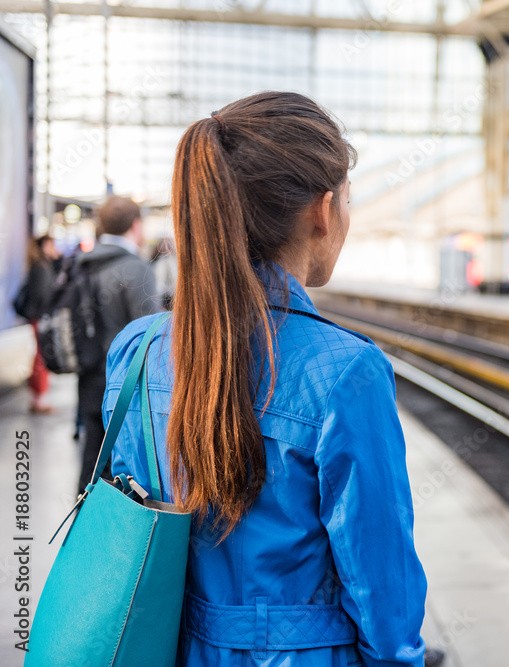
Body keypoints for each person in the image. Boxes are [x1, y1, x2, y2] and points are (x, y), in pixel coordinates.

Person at [104, 92, 426, 665]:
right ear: (322, 211)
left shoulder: (139, 349)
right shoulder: (348, 374)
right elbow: (384, 592)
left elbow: (131, 532)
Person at [76, 196, 161, 496]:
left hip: (87, 374)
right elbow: (151, 334)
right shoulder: (136, 269)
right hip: (124, 384)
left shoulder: (82, 263)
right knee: (123, 469)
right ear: (135, 226)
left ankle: (84, 526)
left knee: (91, 459)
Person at [18, 234, 61, 413]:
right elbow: (44, 296)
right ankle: (39, 399)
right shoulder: (42, 268)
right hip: (41, 317)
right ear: (44, 246)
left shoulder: (38, 266)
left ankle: (38, 397)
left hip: (36, 316)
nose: (54, 249)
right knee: (41, 357)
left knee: (39, 355)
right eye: (52, 245)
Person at [150, 237, 178, 309]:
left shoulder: (174, 260)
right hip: (162, 296)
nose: (166, 248)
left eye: (169, 245)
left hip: (170, 296)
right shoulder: (156, 262)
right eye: (164, 245)